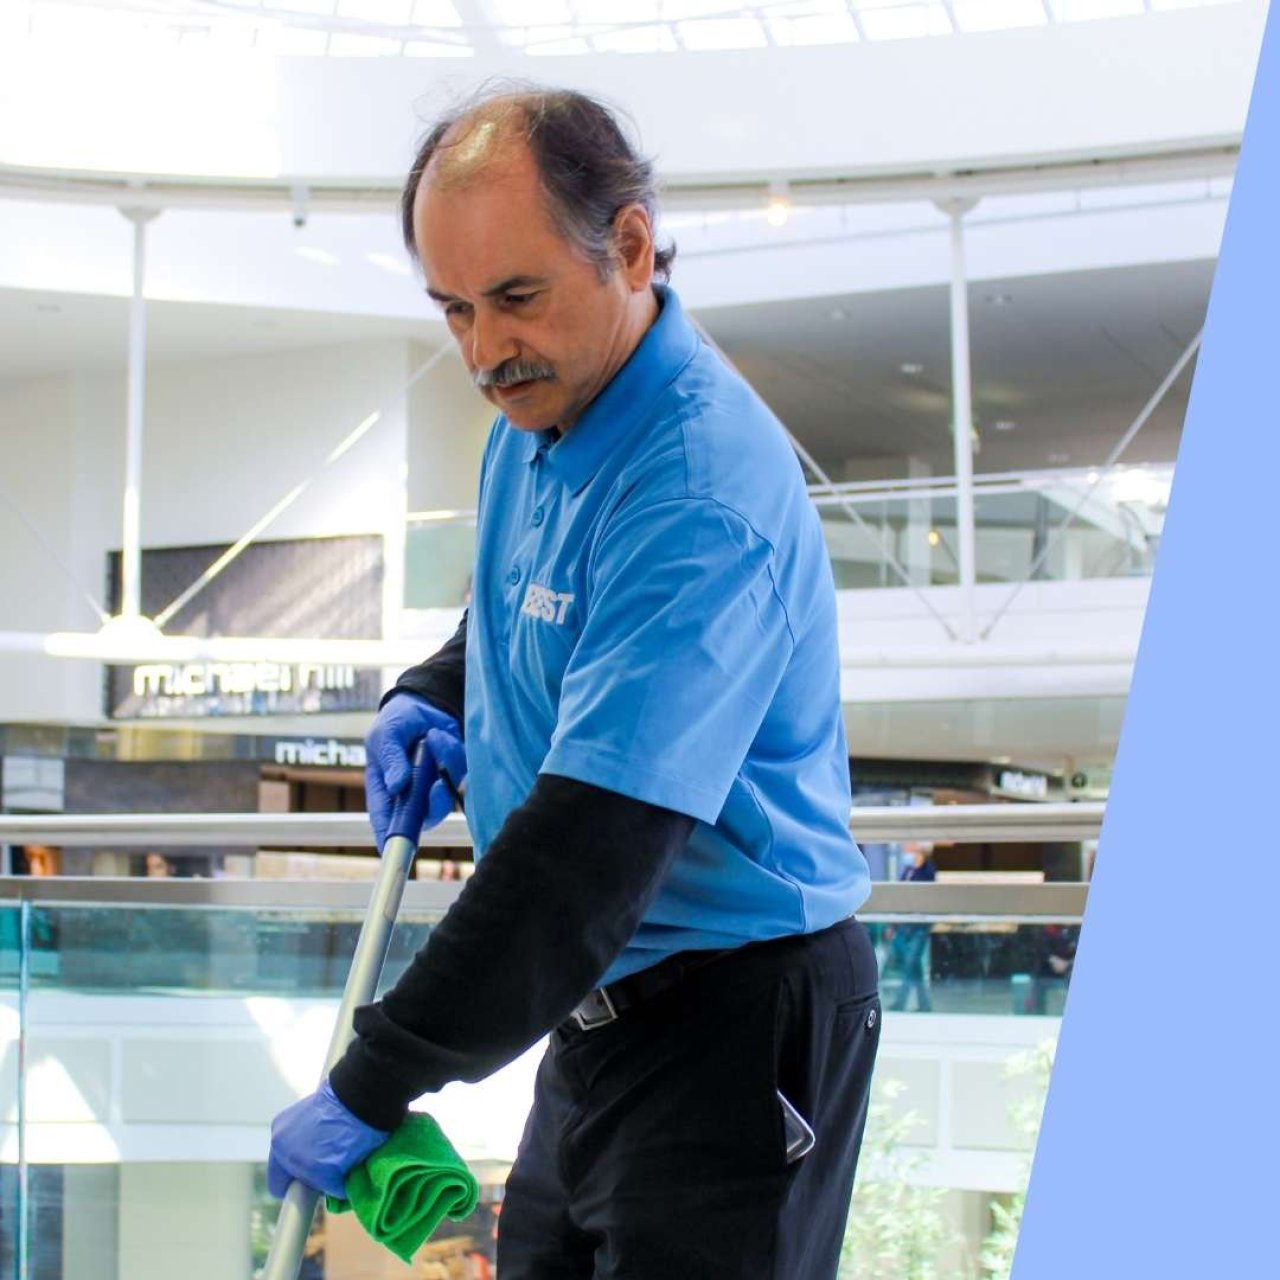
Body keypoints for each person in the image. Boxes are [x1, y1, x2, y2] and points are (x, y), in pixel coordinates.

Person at [269, 85, 880, 1279]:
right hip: (596, 1014)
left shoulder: (698, 488)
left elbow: (585, 850)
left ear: (632, 247)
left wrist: (375, 1074)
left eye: (513, 297)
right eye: (452, 310)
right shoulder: (540, 415)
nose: (483, 350)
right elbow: (523, 597)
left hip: (731, 1024)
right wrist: (435, 688)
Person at [888, 841, 936, 1013]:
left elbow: (925, 893)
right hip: (905, 926)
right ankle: (925, 1005)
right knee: (915, 967)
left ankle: (900, 1002)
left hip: (919, 926)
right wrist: (893, 923)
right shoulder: (908, 869)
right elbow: (900, 895)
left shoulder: (928, 870)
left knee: (910, 964)